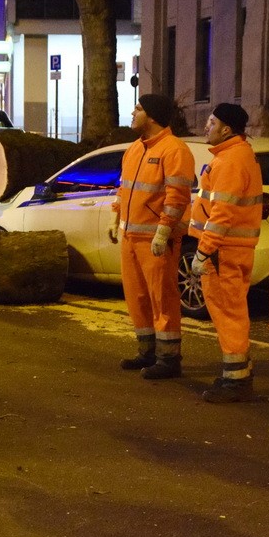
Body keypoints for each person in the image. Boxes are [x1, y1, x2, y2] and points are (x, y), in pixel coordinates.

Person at [110, 94, 193, 379]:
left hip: (156, 241)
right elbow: (124, 188)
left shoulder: (175, 150)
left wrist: (164, 230)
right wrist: (116, 216)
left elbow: (177, 196)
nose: (133, 113)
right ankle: (146, 352)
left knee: (162, 298)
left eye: (139, 108)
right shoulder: (134, 149)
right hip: (132, 237)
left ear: (154, 116)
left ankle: (169, 359)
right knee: (137, 298)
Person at [188, 103, 263, 403]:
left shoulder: (230, 161)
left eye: (211, 121)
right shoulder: (237, 156)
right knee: (233, 312)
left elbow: (221, 213)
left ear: (226, 129)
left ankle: (237, 382)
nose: (206, 126)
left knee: (228, 314)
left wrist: (204, 252)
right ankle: (237, 373)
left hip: (223, 252)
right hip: (232, 250)